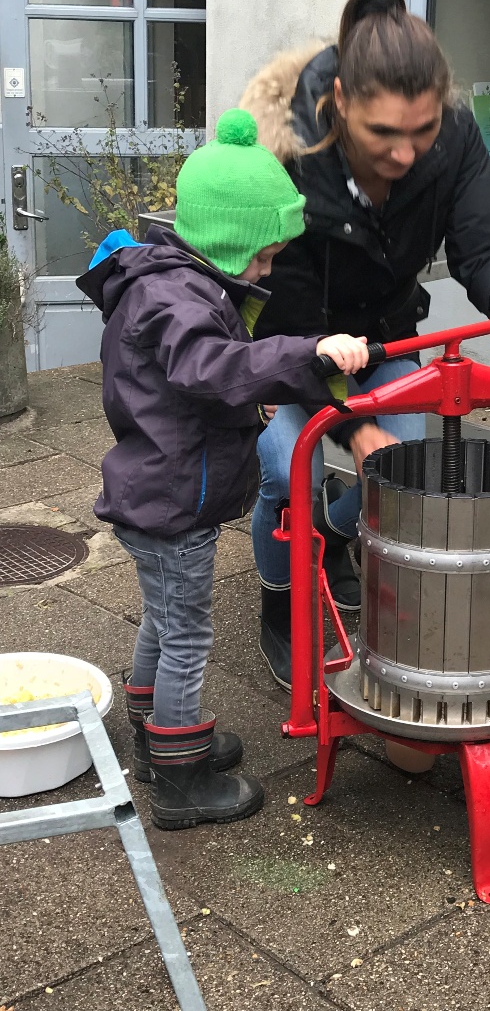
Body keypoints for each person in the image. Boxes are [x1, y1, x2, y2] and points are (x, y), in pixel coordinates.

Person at [239, 0, 490, 689]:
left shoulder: (452, 136)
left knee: (403, 470)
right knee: (285, 472)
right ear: (340, 103)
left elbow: (485, 235)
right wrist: (352, 425)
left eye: (422, 130)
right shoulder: (284, 157)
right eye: (384, 133)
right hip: (292, 347)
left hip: (386, 337)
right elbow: (287, 318)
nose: (407, 152)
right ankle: (282, 603)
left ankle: (334, 539)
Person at [76, 109, 369, 829]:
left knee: (163, 621)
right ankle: (179, 781)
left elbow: (193, 386)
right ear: (227, 240)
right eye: (262, 257)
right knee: (187, 636)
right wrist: (308, 354)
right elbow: (213, 367)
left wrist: (253, 403)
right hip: (174, 505)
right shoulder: (179, 300)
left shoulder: (172, 283)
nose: (266, 271)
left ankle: (155, 735)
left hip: (156, 493)